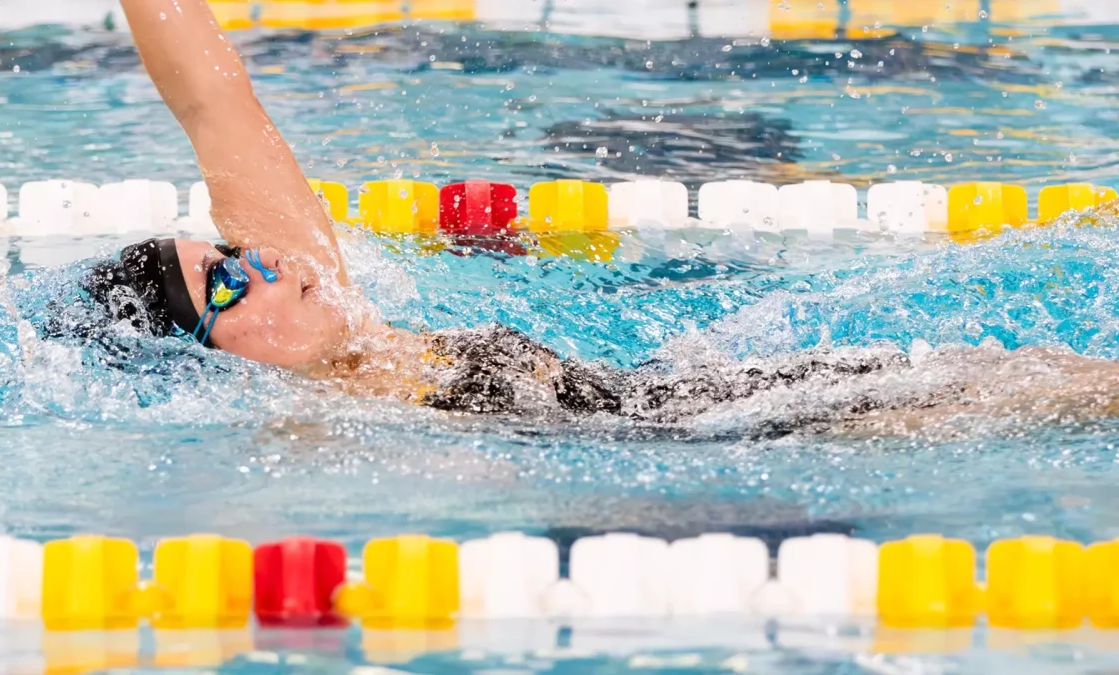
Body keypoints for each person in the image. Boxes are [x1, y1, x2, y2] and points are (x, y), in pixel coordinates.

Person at [71, 0, 1118, 434]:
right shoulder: (309, 419)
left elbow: (213, 100)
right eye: (226, 284)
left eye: (239, 252)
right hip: (725, 454)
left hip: (699, 398)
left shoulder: (311, 292)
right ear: (207, 358)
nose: (264, 265)